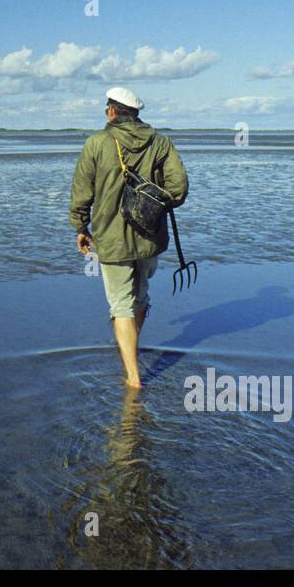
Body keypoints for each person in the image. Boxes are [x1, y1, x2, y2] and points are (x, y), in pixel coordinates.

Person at [70, 87, 188, 388]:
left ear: (111, 111)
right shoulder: (161, 143)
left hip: (111, 238)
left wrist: (80, 227)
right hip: (151, 237)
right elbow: (179, 188)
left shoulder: (96, 143)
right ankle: (130, 348)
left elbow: (82, 192)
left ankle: (133, 378)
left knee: (121, 304)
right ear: (135, 113)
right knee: (141, 297)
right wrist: (152, 203)